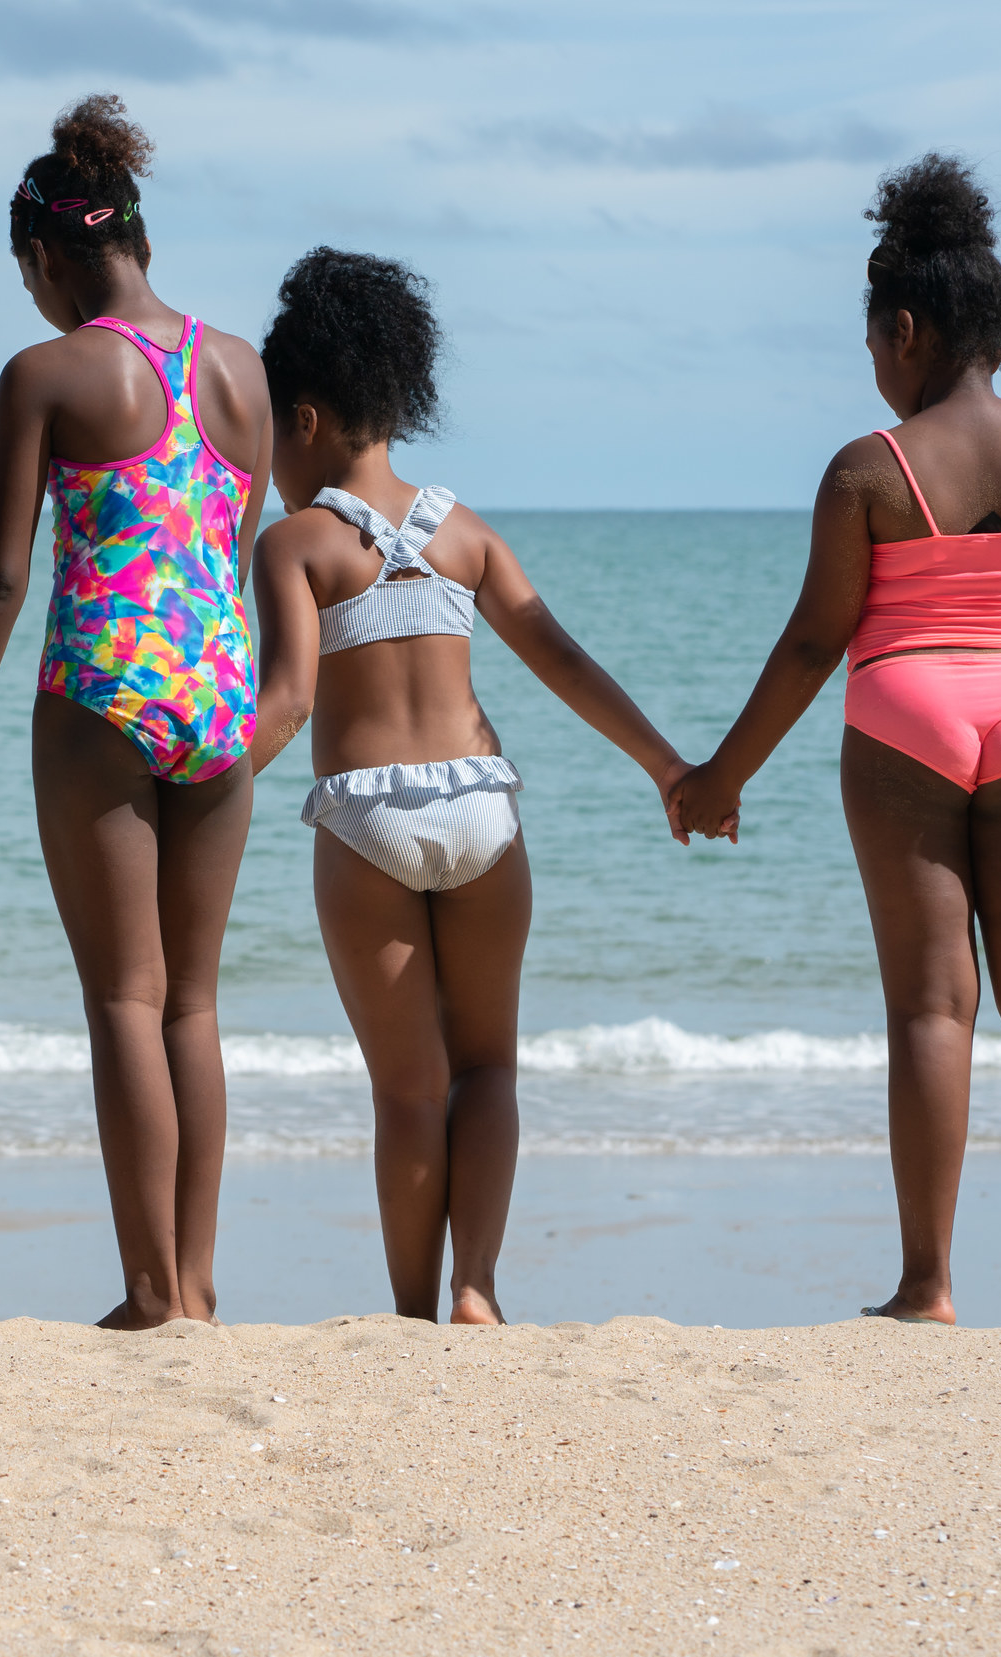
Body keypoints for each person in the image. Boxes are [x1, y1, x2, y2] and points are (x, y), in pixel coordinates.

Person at [670, 154, 1001, 1329]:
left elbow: (809, 646)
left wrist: (717, 777)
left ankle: (928, 1286)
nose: (876, 369)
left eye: (876, 343)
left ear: (907, 328)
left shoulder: (867, 470)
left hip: (904, 711)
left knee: (935, 1008)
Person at [248, 248, 692, 1324]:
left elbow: (291, 702)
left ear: (301, 419)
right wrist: (670, 768)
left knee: (407, 1088)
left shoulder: (296, 545)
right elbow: (565, 661)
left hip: (366, 818)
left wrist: (200, 788)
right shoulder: (465, 533)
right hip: (485, 812)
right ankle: (478, 1290)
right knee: (487, 1070)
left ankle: (407, 1313)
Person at [0, 95, 271, 1330]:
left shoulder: (44, 373)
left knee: (122, 999)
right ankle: (197, 1284)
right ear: (138, 239)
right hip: (222, 687)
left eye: (29, 277)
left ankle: (147, 1290)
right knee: (194, 1002)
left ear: (48, 260)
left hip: (102, 682)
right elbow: (237, 537)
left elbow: (1, 577)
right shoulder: (243, 368)